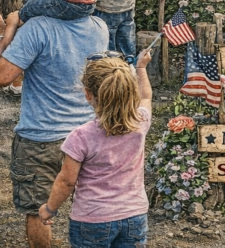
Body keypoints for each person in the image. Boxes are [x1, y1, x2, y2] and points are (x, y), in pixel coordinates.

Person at [0, 0, 109, 248]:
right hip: (88, 132)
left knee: (38, 210)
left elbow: (0, 76)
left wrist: (4, 34)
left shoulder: (37, 29)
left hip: (41, 137)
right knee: (95, 207)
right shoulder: (98, 26)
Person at [39, 50, 153, 248]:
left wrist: (50, 208)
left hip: (92, 219)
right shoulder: (140, 122)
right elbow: (146, 97)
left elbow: (66, 181)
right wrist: (141, 68)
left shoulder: (81, 137)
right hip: (134, 215)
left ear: (87, 94)